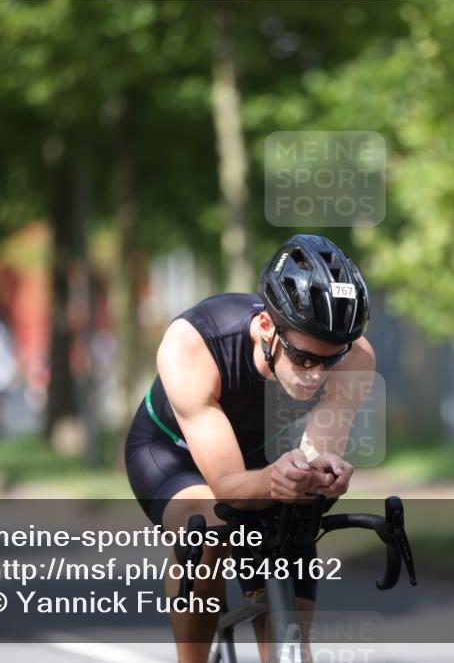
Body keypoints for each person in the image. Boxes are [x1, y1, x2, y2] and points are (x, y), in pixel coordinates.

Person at [124, 234, 375, 663]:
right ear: (265, 328)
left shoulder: (355, 358)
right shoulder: (192, 344)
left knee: (289, 637)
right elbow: (228, 486)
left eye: (329, 360)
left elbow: (316, 456)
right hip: (172, 453)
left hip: (263, 456)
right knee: (206, 529)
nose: (317, 374)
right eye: (303, 358)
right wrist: (277, 478)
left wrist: (321, 476)